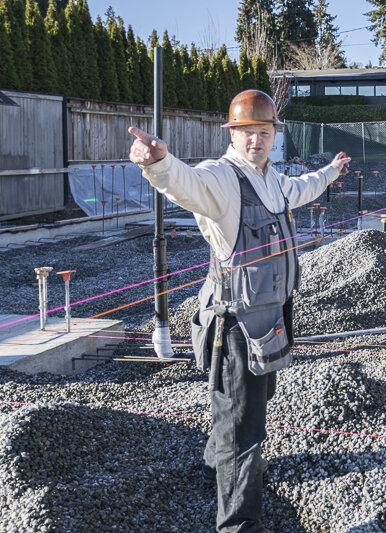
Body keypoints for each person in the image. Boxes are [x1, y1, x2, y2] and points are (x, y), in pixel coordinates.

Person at [128, 89, 350, 533]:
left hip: (270, 318)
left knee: (250, 404)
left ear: (274, 135)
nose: (256, 140)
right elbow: (186, 184)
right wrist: (158, 164)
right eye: (247, 132)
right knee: (244, 427)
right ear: (232, 133)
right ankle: (239, 523)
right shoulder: (222, 179)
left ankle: (217, 462)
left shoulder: (272, 179)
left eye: (263, 132)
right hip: (235, 325)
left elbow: (301, 189)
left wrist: (331, 171)